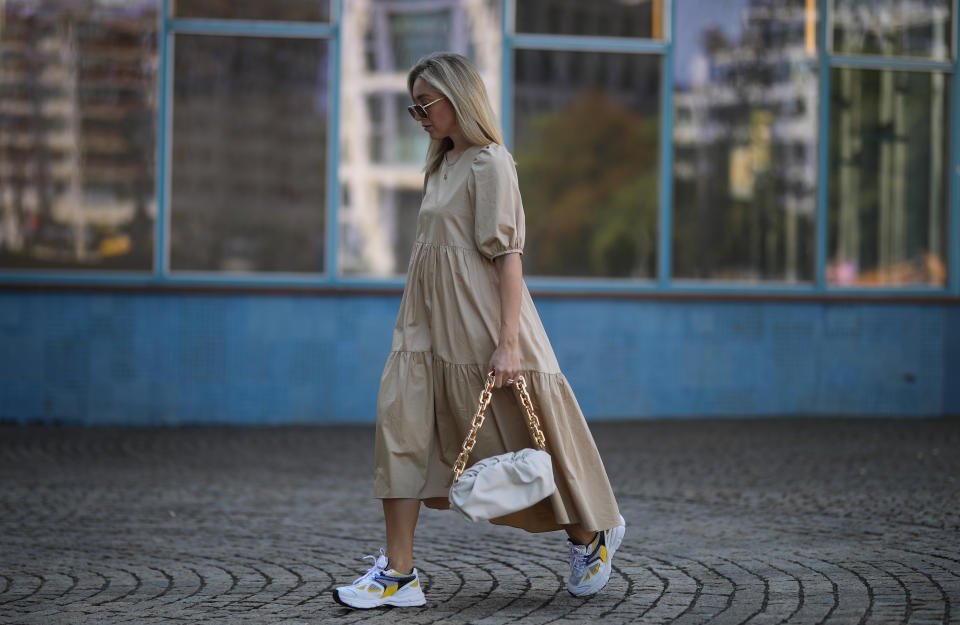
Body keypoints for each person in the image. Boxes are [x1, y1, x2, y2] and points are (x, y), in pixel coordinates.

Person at [333, 52, 625, 610]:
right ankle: (399, 573)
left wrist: (508, 341)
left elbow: (508, 256)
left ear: (458, 99)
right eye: (412, 105)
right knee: (399, 427)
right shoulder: (440, 164)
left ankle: (589, 537)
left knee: (520, 435)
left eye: (427, 103)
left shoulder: (491, 162)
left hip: (481, 323)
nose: (419, 114)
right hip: (422, 325)